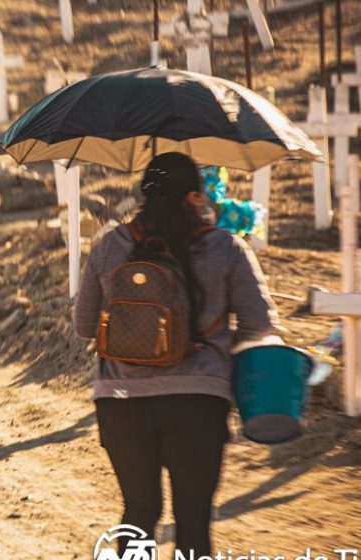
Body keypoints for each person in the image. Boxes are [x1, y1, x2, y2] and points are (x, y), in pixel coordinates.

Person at [73, 152, 278, 557]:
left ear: (144, 194)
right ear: (195, 197)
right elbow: (260, 324)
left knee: (140, 509)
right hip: (198, 403)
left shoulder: (109, 246)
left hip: (120, 402)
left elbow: (83, 326)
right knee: (193, 520)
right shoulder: (225, 247)